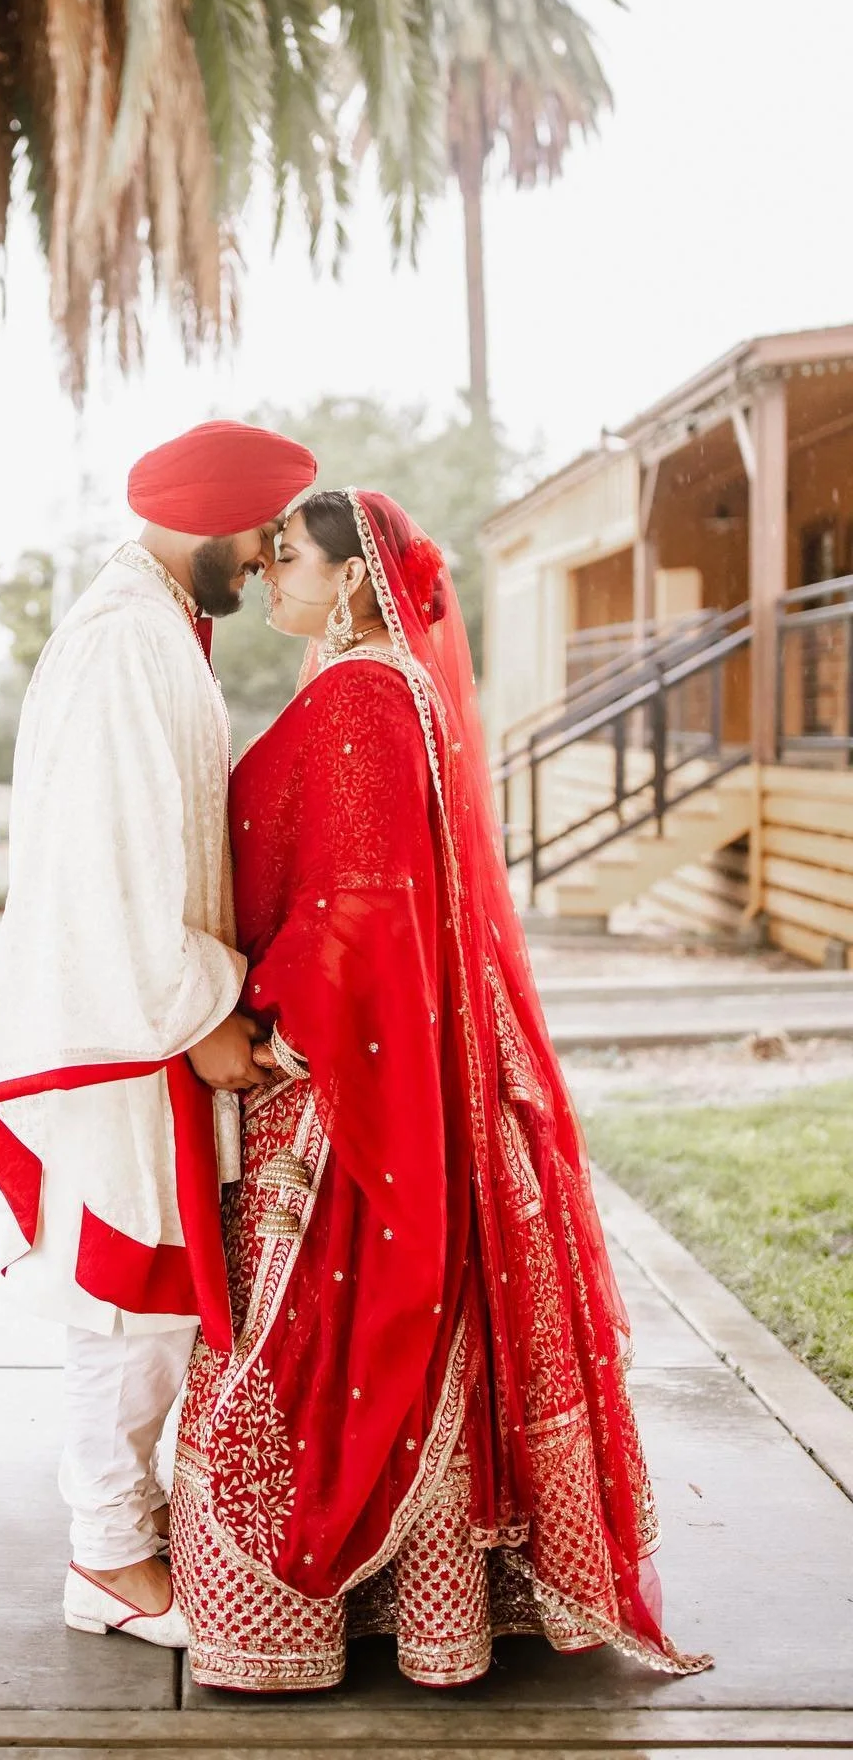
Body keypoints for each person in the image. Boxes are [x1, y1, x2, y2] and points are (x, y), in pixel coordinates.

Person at [168, 488, 713, 1690]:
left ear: (354, 575)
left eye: (289, 561)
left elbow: (363, 902)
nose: (268, 579)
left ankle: (309, 1622)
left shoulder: (364, 693)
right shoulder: (382, 684)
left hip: (333, 1066)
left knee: (329, 1330)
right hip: (373, 1049)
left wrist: (277, 1024)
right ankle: (439, 1607)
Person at [0, 421, 317, 1649]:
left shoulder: (159, 625)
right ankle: (106, 1556)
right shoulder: (124, 642)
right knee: (127, 1292)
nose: (270, 561)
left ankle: (121, 1534)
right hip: (128, 1017)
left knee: (150, 1287)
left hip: (146, 1004)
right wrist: (199, 1011)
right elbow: (107, 859)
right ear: (214, 521)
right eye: (265, 534)